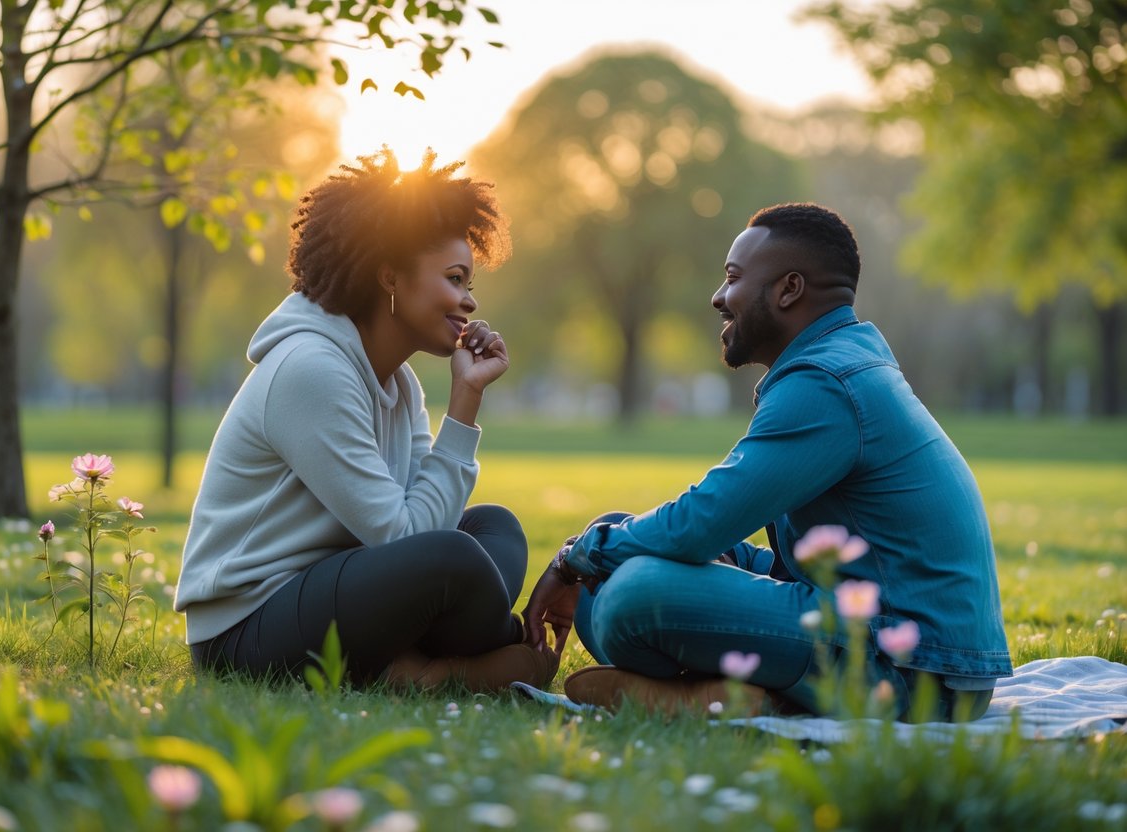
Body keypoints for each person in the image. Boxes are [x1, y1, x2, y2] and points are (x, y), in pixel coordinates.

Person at [523, 202, 1012, 721]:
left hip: (918, 671)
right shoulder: (838, 365)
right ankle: (739, 692)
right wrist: (598, 547)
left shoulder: (827, 384)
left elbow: (702, 523)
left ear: (789, 289)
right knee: (613, 541)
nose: (718, 297)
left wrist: (574, 558)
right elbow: (737, 536)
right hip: (868, 624)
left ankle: (733, 696)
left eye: (732, 278)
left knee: (632, 593)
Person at [175, 147, 558, 692]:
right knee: (454, 557)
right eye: (454, 278)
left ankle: (419, 668)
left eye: (469, 284)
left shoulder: (398, 385)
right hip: (245, 631)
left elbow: (427, 524)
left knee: (493, 528)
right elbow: (407, 540)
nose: (468, 302)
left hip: (332, 591)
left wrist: (466, 394)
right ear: (390, 277)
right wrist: (463, 411)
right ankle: (477, 657)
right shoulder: (311, 370)